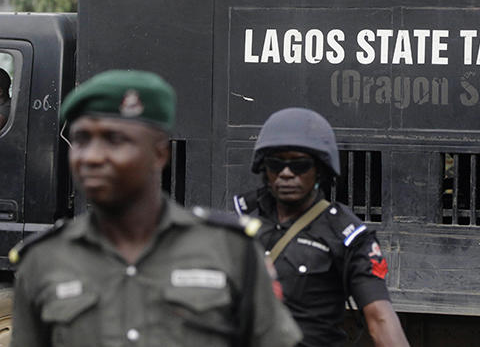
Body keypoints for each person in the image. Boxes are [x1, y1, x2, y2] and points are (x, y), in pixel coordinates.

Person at [9, 70, 301, 347]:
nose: (93, 157)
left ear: (160, 153)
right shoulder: (42, 261)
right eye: (81, 140)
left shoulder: (229, 250)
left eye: (115, 140)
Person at [233, 108, 409, 347]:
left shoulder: (345, 233)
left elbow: (379, 318)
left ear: (319, 169)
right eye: (276, 164)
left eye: (300, 165)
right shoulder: (242, 217)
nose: (286, 173)